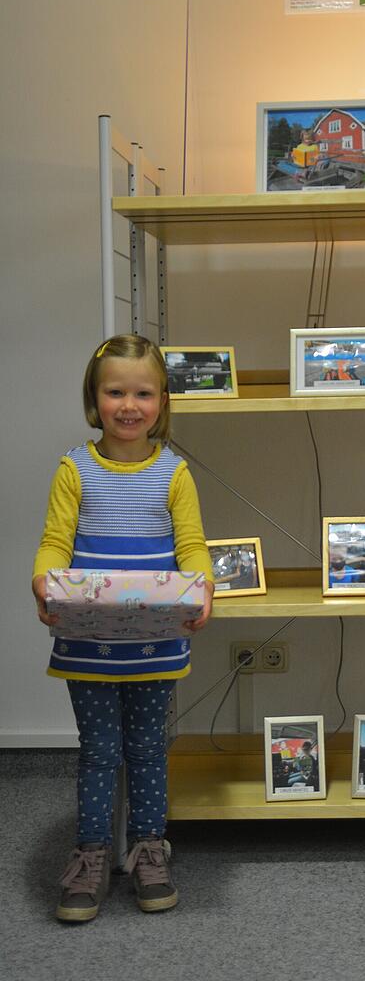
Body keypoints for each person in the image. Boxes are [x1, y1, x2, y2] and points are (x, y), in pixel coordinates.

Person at [32, 334, 215, 923]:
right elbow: (56, 544)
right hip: (87, 642)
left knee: (146, 750)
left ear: (162, 400)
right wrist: (43, 582)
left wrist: (202, 587)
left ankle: (148, 851)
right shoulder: (74, 468)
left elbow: (191, 545)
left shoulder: (175, 472)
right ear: (96, 397)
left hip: (156, 644)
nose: (129, 405)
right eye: (115, 392)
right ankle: (90, 854)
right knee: (98, 751)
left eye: (143, 393)